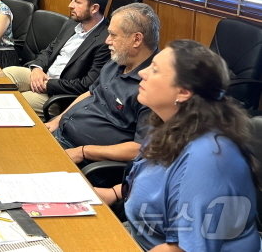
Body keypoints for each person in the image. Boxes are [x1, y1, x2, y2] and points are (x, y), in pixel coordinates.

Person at [96, 40, 260, 251]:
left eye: (155, 70)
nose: (143, 73)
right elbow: (157, 183)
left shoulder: (209, 158)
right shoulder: (172, 124)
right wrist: (113, 193)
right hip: (139, 235)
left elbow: (181, 249)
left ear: (183, 92)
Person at [45, 3, 159, 165]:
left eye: (113, 35)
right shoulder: (117, 61)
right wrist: (58, 120)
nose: (107, 41)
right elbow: (91, 93)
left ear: (136, 39)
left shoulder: (153, 85)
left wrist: (84, 152)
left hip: (85, 159)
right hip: (61, 134)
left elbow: (141, 148)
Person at [3, 0, 111, 115]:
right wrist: (37, 68)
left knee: (15, 102)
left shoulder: (106, 40)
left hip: (59, 96)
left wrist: (49, 84)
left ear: (94, 8)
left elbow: (87, 84)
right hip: (44, 75)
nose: (70, 5)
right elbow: (49, 50)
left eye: (77, 2)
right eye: (72, 0)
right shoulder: (71, 24)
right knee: (5, 75)